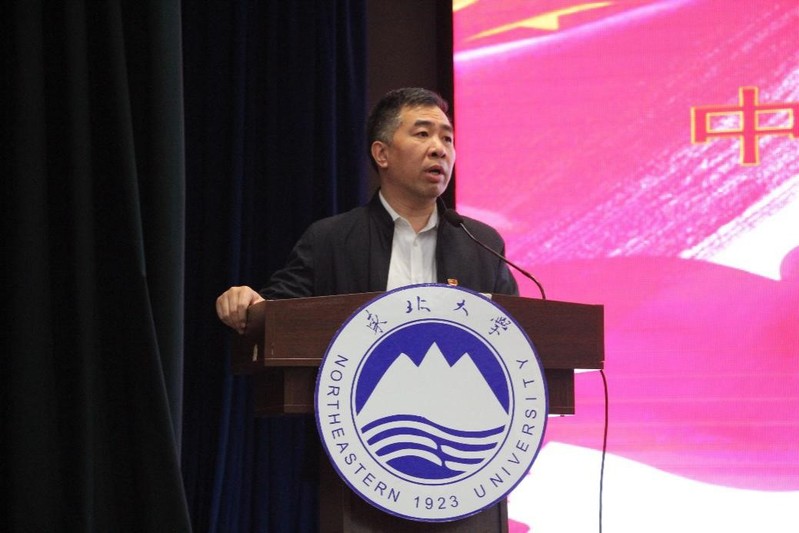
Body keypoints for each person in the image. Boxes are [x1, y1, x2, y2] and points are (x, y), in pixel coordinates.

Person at [216, 88, 518, 333]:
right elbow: (277, 313)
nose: (439, 148)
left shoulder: (482, 244)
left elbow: (515, 331)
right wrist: (247, 302)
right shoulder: (330, 240)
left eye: (447, 138)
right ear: (381, 154)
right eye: (422, 134)